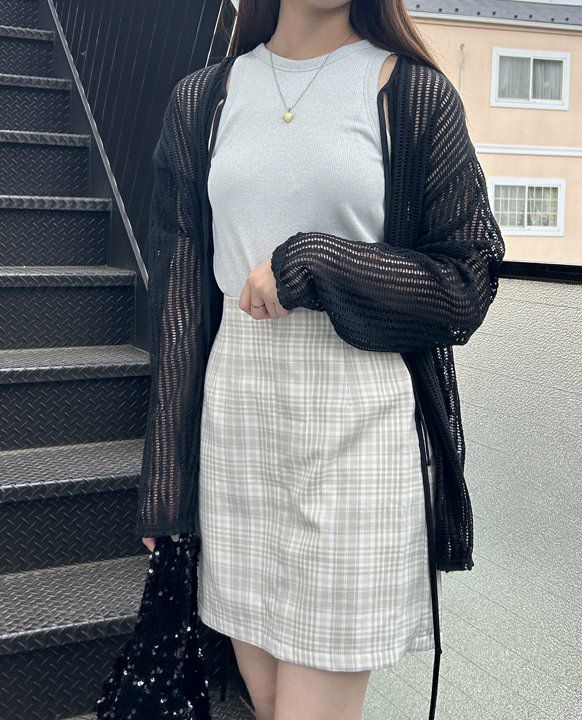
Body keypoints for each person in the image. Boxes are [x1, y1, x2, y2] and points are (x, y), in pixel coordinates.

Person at [138, 1, 505, 719]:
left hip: (359, 425)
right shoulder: (203, 99)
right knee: (270, 703)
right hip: (238, 419)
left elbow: (467, 281)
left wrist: (317, 262)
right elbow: (178, 307)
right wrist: (167, 481)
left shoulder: (413, 93)